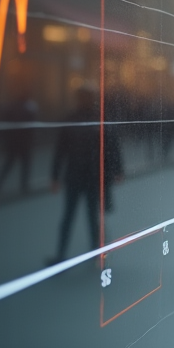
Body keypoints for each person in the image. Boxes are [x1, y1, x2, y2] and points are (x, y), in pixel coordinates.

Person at [51, 85, 123, 262]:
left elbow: (60, 151)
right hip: (91, 175)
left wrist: (55, 176)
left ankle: (62, 254)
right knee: (90, 216)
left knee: (71, 216)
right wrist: (118, 170)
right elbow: (112, 147)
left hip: (77, 175)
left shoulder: (72, 119)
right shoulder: (99, 119)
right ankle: (95, 252)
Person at [0, 91, 38, 194]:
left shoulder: (11, 107)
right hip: (23, 141)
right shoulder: (28, 109)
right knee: (25, 163)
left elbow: (4, 122)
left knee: (10, 162)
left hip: (13, 141)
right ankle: (24, 185)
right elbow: (31, 125)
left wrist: (5, 138)